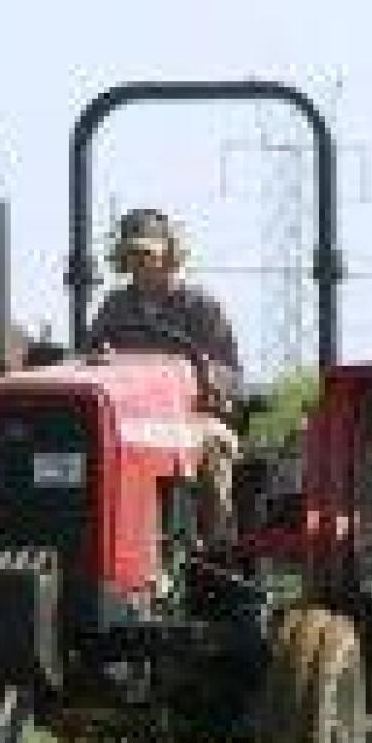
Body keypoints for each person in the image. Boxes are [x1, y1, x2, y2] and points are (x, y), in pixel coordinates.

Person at [92, 208, 243, 544]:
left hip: (191, 417)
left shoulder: (202, 308)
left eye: (146, 254)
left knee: (214, 452)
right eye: (131, 254)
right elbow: (90, 359)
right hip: (129, 424)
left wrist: (204, 378)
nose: (139, 262)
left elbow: (231, 374)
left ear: (169, 253)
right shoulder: (113, 308)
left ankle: (216, 549)